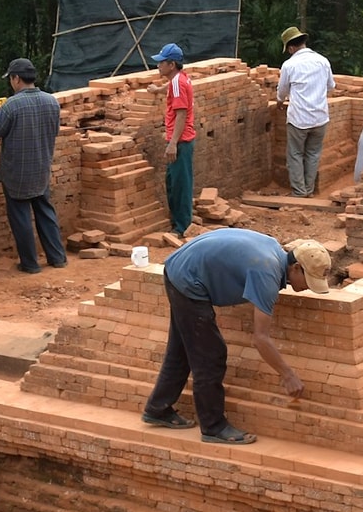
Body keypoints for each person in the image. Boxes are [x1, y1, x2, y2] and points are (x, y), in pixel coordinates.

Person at [139, 229, 332, 445]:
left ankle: (158, 409)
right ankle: (213, 427)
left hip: (181, 267)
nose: (307, 288)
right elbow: (260, 338)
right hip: (187, 279)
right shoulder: (266, 273)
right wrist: (287, 375)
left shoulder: (273, 253)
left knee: (183, 348)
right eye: (309, 281)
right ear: (296, 268)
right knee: (211, 357)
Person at [0, 58, 67, 273]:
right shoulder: (51, 101)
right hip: (41, 167)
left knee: (21, 217)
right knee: (45, 212)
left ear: (16, 79)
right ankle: (57, 257)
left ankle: (30, 264)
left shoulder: (13, 105)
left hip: (16, 173)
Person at [276, 26, 336, 197]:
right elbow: (331, 86)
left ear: (290, 48)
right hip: (320, 118)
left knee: (295, 154)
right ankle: (309, 190)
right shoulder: (323, 61)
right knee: (313, 154)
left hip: (299, 119)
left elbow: (282, 90)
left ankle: (299, 191)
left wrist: (280, 102)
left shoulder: (290, 65)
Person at [155, 43, 196, 237]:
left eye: (161, 62)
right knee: (173, 182)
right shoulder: (179, 79)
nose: (158, 66)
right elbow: (171, 87)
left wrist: (173, 144)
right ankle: (178, 222)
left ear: (171, 64)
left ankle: (182, 227)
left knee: (181, 185)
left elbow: (181, 113)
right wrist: (157, 90)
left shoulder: (178, 83)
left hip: (181, 141)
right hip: (181, 140)